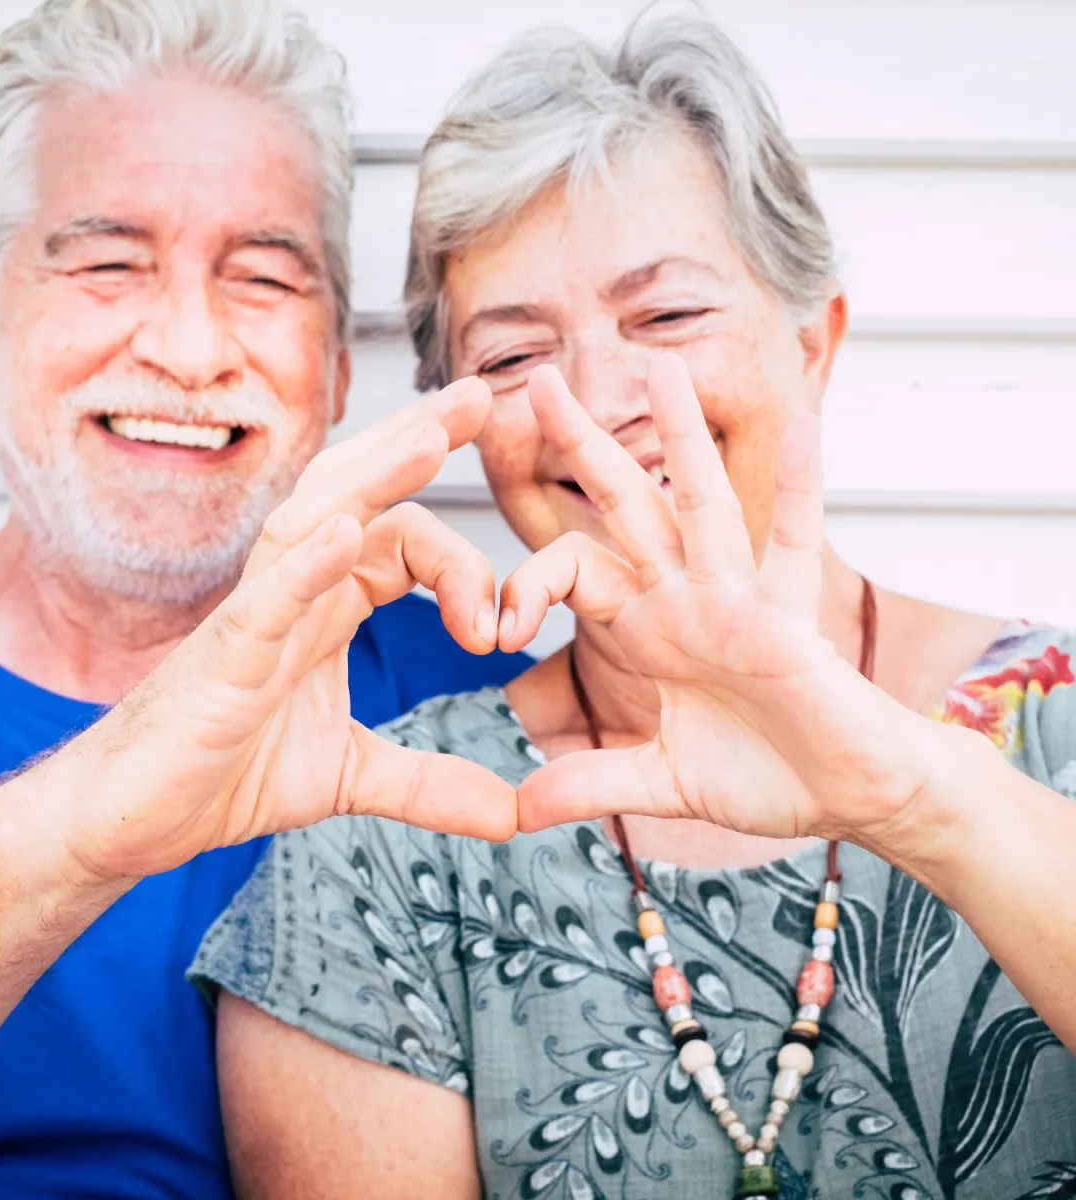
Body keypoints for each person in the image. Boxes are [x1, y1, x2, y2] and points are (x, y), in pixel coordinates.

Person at [192, 14, 1076, 1200]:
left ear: (813, 343)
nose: (596, 403)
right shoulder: (389, 836)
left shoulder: (1056, 728)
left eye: (665, 317)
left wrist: (912, 794)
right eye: (512, 359)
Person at [0, 1, 528, 1194]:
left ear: (337, 367)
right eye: (110, 262)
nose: (188, 345)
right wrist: (92, 808)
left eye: (264, 277)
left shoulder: (488, 717)